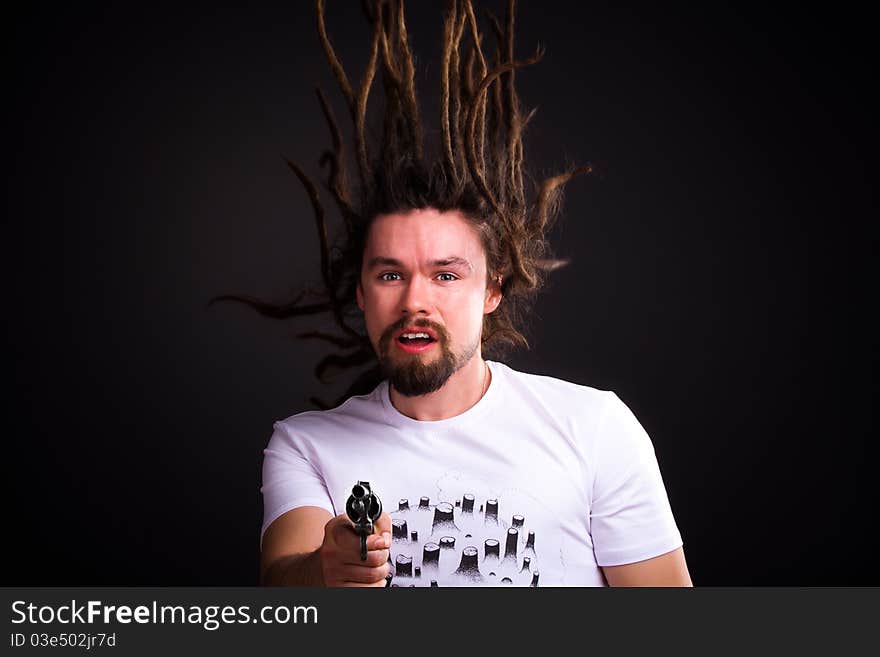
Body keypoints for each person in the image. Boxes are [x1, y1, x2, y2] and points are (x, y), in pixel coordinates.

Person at [222, 0, 692, 586]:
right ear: (361, 293)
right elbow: (282, 595)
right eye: (390, 274)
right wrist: (328, 568)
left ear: (492, 289)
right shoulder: (306, 445)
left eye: (446, 274)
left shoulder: (594, 427)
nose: (416, 300)